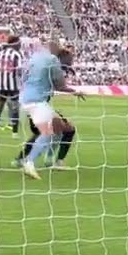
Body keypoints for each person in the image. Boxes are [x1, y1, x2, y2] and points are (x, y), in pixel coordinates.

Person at [19, 40, 85, 180]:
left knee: (63, 127)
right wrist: (75, 91)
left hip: (26, 97)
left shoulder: (34, 57)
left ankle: (49, 161)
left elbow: (24, 77)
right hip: (36, 100)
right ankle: (28, 162)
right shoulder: (52, 60)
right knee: (48, 131)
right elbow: (60, 85)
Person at [0, 36, 23, 139]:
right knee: (15, 110)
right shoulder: (17, 55)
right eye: (19, 43)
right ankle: (15, 133)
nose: (20, 45)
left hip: (2, 86)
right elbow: (20, 71)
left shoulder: (0, 54)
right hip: (13, 88)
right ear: (15, 43)